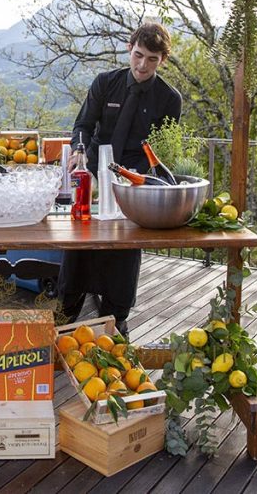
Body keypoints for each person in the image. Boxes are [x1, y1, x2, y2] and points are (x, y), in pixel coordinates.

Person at [59, 22, 182, 337]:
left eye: (152, 60)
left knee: (126, 246)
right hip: (95, 172)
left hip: (136, 180)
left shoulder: (170, 99)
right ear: (130, 48)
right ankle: (67, 307)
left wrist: (138, 179)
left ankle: (117, 314)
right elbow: (83, 124)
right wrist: (79, 151)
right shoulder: (105, 83)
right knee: (81, 238)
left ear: (162, 60)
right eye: (138, 55)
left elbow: (163, 146)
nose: (142, 65)